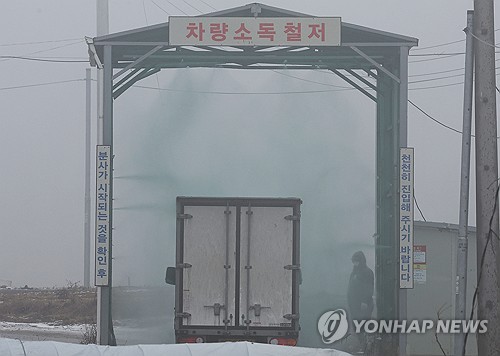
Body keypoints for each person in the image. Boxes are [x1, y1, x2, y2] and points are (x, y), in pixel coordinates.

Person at [347, 251, 374, 353]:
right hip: (355, 306)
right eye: (354, 261)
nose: (355, 263)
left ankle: (367, 344)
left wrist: (365, 301)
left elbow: (369, 288)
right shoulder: (354, 272)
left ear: (361, 261)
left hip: (363, 305)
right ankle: (365, 344)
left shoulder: (367, 272)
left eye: (356, 261)